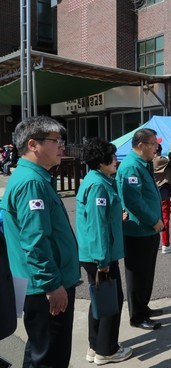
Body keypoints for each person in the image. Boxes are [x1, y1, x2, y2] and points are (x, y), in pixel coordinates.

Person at [0, 116, 79, 367]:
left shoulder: (34, 177)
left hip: (38, 282)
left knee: (38, 351)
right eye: (56, 141)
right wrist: (52, 285)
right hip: (45, 286)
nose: (62, 147)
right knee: (50, 357)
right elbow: (35, 241)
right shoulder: (32, 182)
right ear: (33, 144)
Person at [76, 138, 133, 365]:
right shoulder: (98, 185)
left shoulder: (97, 180)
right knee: (112, 300)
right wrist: (102, 260)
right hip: (100, 255)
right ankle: (106, 350)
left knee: (100, 300)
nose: (116, 160)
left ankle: (95, 346)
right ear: (102, 161)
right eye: (112, 156)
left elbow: (99, 218)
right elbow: (97, 225)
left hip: (96, 253)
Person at [115, 128, 164, 330]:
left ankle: (144, 307)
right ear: (141, 145)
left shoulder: (143, 164)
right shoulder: (130, 167)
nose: (156, 147)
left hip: (149, 229)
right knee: (137, 274)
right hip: (138, 229)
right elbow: (133, 201)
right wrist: (153, 220)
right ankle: (137, 316)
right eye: (153, 144)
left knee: (147, 272)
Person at [153, 137, 171, 254]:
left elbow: (168, 161)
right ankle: (166, 244)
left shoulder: (152, 160)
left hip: (155, 191)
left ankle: (156, 243)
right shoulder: (159, 160)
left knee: (156, 219)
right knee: (165, 219)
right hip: (163, 191)